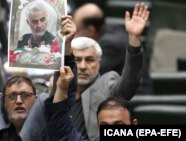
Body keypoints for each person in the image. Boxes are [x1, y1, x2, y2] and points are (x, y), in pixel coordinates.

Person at [21, 2, 149, 141]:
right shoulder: (61, 87)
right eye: (77, 60)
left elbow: (130, 81)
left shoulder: (106, 85)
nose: (82, 66)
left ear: (99, 63)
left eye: (89, 60)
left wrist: (134, 39)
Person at [0, 0, 76, 140]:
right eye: (12, 96)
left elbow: (64, 90)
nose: (19, 100)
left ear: (35, 100)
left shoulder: (47, 117)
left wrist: (66, 49)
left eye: (25, 95)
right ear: (3, 102)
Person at [73, 3, 154, 95]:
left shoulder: (111, 44)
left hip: (131, 100)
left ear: (91, 30)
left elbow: (87, 76)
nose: (75, 36)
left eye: (77, 31)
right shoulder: (110, 30)